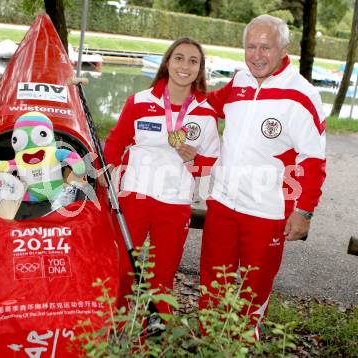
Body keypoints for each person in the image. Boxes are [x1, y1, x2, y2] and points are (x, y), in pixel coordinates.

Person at [199, 14, 326, 338]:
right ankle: (211, 342)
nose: (256, 54)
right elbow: (205, 105)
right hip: (223, 203)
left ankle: (242, 344)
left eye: (265, 47)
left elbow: (314, 160)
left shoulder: (302, 95)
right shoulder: (239, 81)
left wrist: (304, 210)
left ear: (284, 48)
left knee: (254, 287)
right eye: (250, 46)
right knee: (213, 281)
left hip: (266, 211)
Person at [103, 37, 220, 313]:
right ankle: (117, 326)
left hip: (175, 202)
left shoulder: (206, 112)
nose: (185, 66)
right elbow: (117, 140)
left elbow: (210, 162)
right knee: (122, 267)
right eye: (179, 58)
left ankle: (154, 336)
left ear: (200, 69)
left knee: (162, 277)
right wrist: (106, 168)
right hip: (134, 195)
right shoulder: (140, 101)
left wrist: (196, 159)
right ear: (167, 62)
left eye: (193, 61)